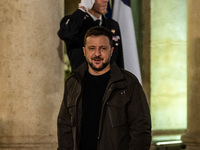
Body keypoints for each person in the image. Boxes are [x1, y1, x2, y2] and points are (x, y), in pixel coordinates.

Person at [57, 26, 151, 150]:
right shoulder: (73, 83)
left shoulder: (128, 83)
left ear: (111, 51)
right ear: (84, 51)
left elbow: (141, 129)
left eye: (103, 48)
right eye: (92, 48)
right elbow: (65, 127)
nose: (97, 54)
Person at [57, 0, 124, 71]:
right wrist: (83, 8)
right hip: (82, 80)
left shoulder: (112, 25)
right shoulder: (75, 23)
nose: (106, 1)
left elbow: (118, 61)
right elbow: (67, 35)